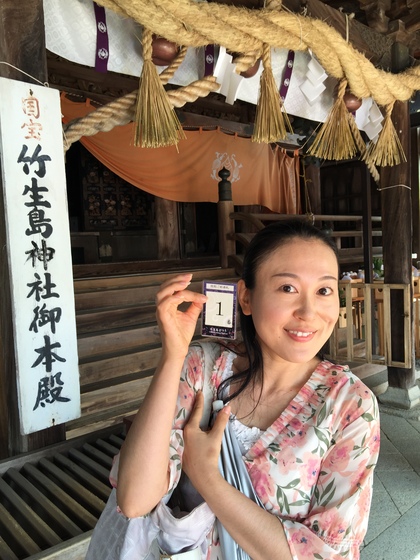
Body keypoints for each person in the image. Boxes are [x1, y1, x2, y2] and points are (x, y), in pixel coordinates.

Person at [113, 219, 380, 560]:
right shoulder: (202, 368)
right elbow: (135, 499)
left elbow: (328, 554)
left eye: (324, 290)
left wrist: (207, 476)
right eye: (287, 288)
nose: (308, 312)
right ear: (245, 297)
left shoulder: (350, 406)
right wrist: (172, 356)